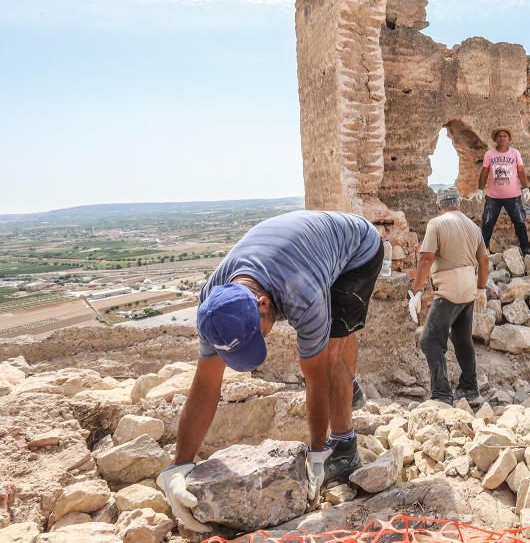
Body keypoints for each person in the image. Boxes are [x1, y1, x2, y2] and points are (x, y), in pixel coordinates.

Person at [156, 210, 383, 532]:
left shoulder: (303, 297)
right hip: (303, 251)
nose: (265, 340)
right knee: (331, 352)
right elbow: (205, 386)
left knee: (332, 355)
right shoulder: (214, 304)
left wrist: (318, 454)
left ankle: (345, 446)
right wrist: (178, 466)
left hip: (357, 248)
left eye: (256, 335)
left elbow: (314, 381)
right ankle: (349, 390)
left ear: (262, 303)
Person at [408, 187, 490, 404]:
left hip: (448, 289)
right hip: (469, 288)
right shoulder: (473, 227)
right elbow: (484, 260)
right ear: (458, 203)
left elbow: (426, 259)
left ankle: (442, 395)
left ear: (439, 205)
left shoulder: (437, 223)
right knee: (463, 339)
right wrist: (481, 288)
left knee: (430, 341)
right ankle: (470, 389)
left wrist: (417, 291)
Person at [474, 127, 530, 255]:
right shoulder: (489, 154)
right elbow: (484, 172)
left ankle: (526, 248)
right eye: (499, 136)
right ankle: (481, 250)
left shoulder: (515, 153)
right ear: (495, 139)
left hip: (513, 196)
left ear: (509, 139)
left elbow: (520, 170)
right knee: (487, 223)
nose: (502, 138)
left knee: (519, 222)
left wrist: (525, 188)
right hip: (493, 197)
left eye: (505, 136)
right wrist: (480, 189)